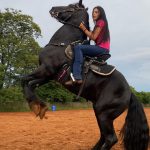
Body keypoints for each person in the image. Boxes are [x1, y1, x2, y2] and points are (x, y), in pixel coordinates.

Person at [65, 6, 110, 85]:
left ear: (101, 14)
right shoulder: (101, 23)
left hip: (101, 49)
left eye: (96, 12)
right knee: (79, 53)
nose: (93, 14)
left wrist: (83, 28)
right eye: (93, 12)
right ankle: (76, 76)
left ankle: (77, 77)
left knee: (78, 47)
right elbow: (93, 36)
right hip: (103, 48)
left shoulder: (101, 22)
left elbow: (93, 37)